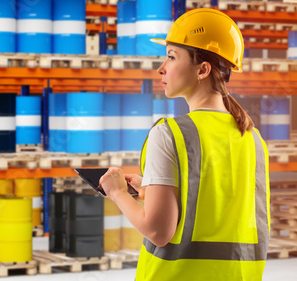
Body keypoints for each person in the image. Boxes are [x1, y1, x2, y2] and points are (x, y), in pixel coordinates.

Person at [99, 8, 270, 280]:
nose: (161, 68)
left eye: (171, 57)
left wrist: (117, 192)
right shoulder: (253, 138)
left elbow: (158, 231)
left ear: (203, 69)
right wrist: (151, 187)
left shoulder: (170, 134)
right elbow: (217, 202)